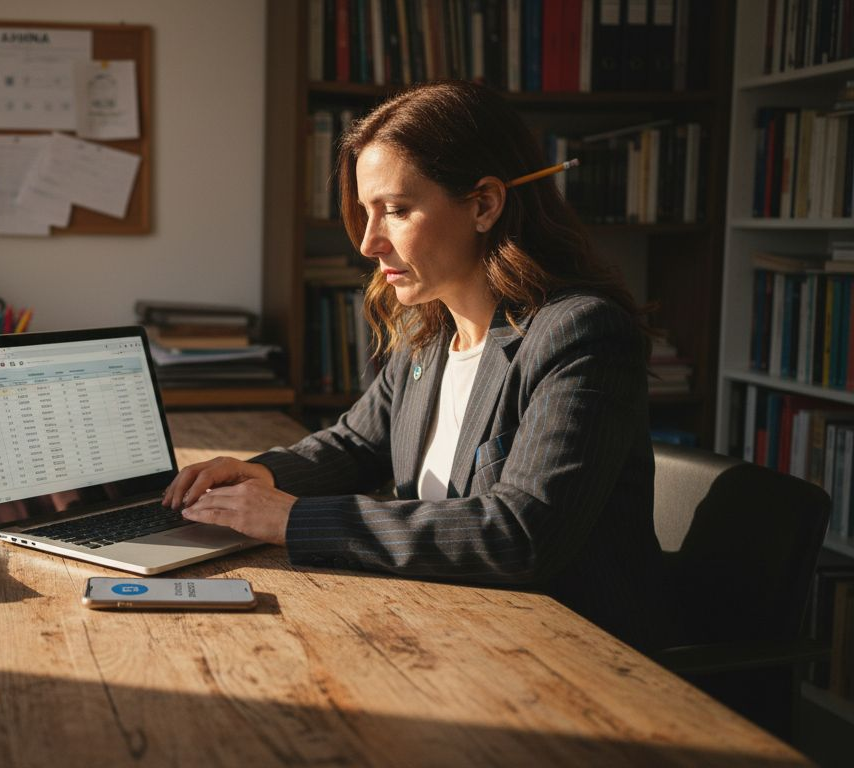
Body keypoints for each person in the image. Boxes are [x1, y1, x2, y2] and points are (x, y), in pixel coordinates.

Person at [163, 80, 667, 651]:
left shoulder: (580, 334)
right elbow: (355, 444)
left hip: (569, 650)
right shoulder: (431, 332)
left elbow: (521, 533)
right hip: (454, 624)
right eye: (366, 212)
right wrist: (262, 476)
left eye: (396, 211)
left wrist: (292, 520)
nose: (370, 243)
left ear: (483, 205)